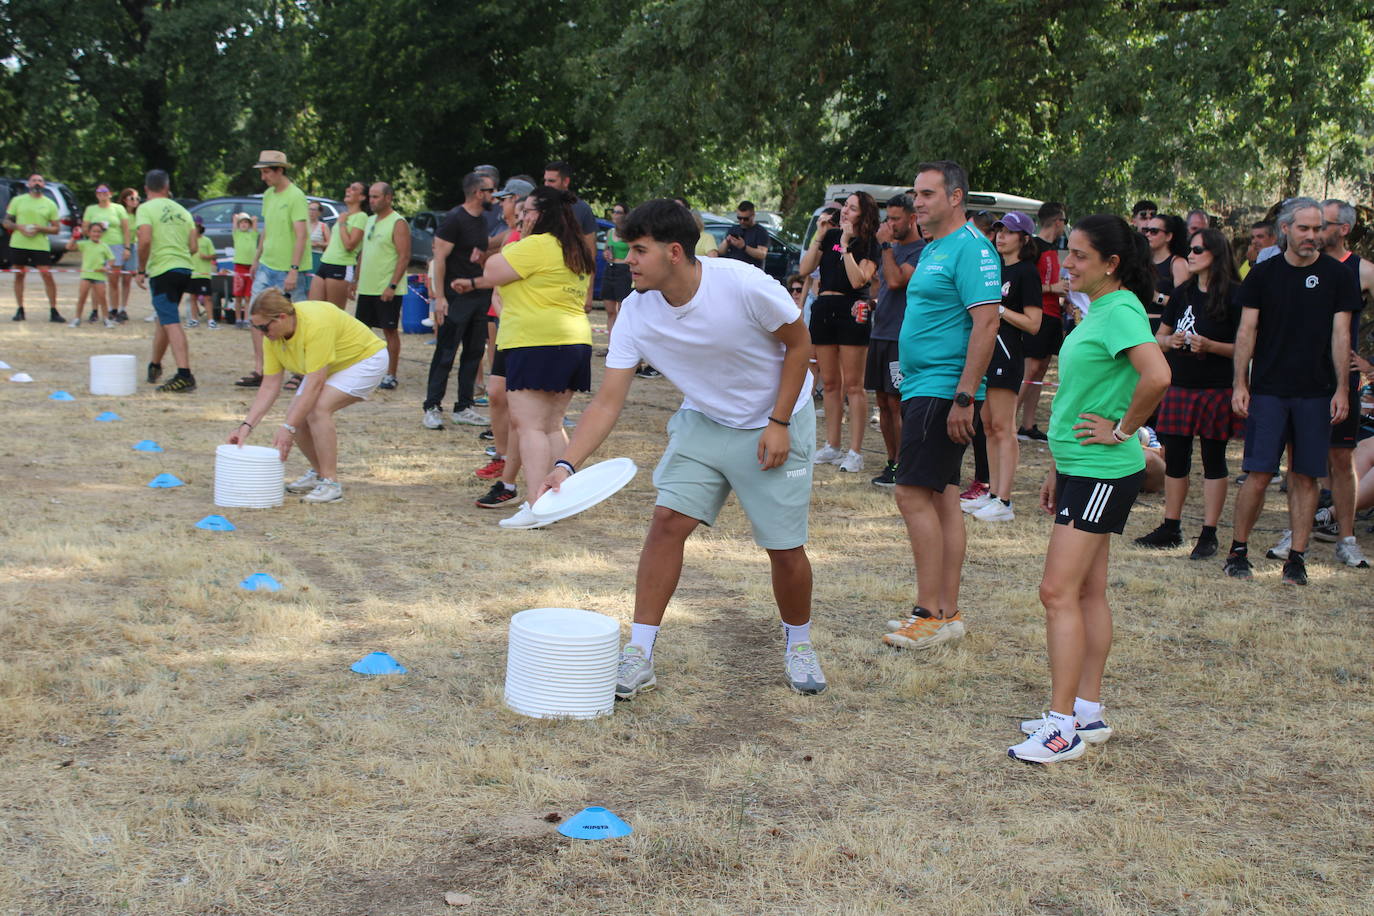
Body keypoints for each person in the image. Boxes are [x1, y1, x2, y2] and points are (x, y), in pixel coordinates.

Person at [535, 198, 824, 697]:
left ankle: (799, 642)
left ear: (673, 252)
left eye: (638, 250)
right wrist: (565, 464)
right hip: (704, 421)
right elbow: (607, 401)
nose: (627, 259)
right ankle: (639, 653)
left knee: (783, 548)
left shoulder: (742, 284)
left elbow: (800, 345)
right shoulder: (636, 313)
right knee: (667, 523)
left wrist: (778, 423)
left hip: (775, 419)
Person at [1008, 214, 1169, 764]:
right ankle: (1086, 712)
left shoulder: (1121, 310)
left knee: (1056, 592)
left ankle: (1061, 729)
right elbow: (1086, 393)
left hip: (1102, 470)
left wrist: (1122, 431)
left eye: (1078, 255)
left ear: (1111, 264)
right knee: (1085, 592)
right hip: (1082, 467)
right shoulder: (1101, 309)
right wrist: (1059, 466)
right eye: (1068, 252)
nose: (1067, 264)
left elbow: (1158, 375)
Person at [882, 161, 1000, 651]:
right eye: (916, 194)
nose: (918, 202)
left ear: (955, 197)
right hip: (923, 387)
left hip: (942, 390)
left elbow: (987, 323)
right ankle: (947, 613)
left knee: (910, 494)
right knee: (943, 498)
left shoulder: (972, 248)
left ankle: (928, 613)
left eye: (928, 193)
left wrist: (964, 397)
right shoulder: (936, 247)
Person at [1225, 197, 1359, 585]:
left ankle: (1297, 559)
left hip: (1317, 393)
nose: (1312, 236)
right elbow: (1246, 332)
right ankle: (1237, 551)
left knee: (1305, 476)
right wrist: (1240, 383)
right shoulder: (1263, 275)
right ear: (1285, 229)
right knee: (1259, 473)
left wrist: (1342, 390)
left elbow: (1341, 335)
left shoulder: (1338, 276)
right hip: (1268, 391)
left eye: (1318, 229)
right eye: (1305, 228)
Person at [450, 186, 592, 514]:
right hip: (573, 342)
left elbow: (492, 270)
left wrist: (516, 234)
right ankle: (559, 500)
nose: (521, 216)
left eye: (526, 211)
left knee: (530, 426)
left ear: (540, 215)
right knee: (552, 425)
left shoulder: (537, 245)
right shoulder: (574, 249)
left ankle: (536, 504)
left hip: (535, 341)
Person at [1134, 228, 1244, 558]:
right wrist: (1173, 342)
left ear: (1216, 254)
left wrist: (1211, 346)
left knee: (1214, 460)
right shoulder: (1182, 293)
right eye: (1190, 249)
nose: (1191, 255)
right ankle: (1172, 525)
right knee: (1176, 459)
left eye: (1198, 250)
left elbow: (1246, 347)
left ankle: (1208, 533)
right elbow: (1159, 338)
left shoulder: (1235, 295)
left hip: (1216, 388)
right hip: (1181, 386)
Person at [227, 291, 387, 504]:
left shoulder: (315, 324)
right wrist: (245, 426)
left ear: (282, 317)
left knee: (316, 409)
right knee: (297, 414)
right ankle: (320, 473)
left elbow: (315, 384)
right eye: (257, 328)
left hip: (365, 360)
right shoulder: (273, 337)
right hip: (334, 365)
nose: (262, 333)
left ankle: (331, 484)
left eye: (264, 327)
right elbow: (269, 385)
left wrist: (288, 428)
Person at [964, 211, 1042, 522]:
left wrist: (1000, 309)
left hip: (1008, 355)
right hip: (987, 353)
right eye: (998, 231)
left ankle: (1004, 500)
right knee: (988, 425)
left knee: (1004, 427)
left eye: (1008, 232)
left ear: (1024, 238)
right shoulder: (994, 268)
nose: (1001, 236)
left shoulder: (1026, 273)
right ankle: (992, 492)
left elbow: (1034, 324)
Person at [1310, 198, 1374, 568]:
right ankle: (1298, 530)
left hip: (1341, 377)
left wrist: (1369, 363)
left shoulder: (1362, 270)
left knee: (1341, 456)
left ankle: (1346, 536)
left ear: (1344, 229)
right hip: (1300, 375)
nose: (1317, 230)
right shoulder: (1303, 263)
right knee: (1302, 457)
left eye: (1325, 223)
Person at [801, 191, 879, 473]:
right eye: (845, 206)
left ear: (864, 214)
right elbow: (805, 269)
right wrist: (822, 236)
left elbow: (859, 278)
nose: (845, 211)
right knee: (831, 383)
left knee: (854, 386)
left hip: (852, 308)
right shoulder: (830, 236)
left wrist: (846, 246)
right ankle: (832, 445)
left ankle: (855, 451)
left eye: (852, 208)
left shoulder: (869, 244)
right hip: (824, 307)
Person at [424, 171, 497, 429]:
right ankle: (432, 406)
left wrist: (482, 257)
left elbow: (479, 251)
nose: (494, 196)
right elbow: (439, 258)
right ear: (479, 193)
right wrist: (440, 297)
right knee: (446, 352)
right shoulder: (454, 219)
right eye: (491, 191)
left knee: (474, 352)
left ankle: (463, 407)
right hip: (454, 297)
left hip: (479, 295)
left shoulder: (482, 220)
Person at [866, 194, 925, 487]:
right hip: (880, 332)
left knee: (897, 401)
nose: (889, 225)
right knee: (883, 403)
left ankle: (906, 464)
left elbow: (897, 281)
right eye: (887, 218)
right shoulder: (892, 249)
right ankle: (893, 462)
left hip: (900, 338)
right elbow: (883, 288)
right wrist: (871, 304)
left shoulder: (919, 251)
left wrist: (886, 246)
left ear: (913, 218)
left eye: (895, 219)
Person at [247, 150, 310, 388]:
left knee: (298, 319)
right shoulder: (268, 195)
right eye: (262, 172)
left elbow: (301, 235)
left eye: (266, 172)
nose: (264, 177)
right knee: (255, 316)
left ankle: (301, 370)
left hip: (288, 269)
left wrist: (294, 269)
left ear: (280, 170)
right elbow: (266, 228)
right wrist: (257, 257)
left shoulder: (296, 196)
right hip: (266, 265)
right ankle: (261, 369)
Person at [133, 169, 199, 393]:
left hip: (163, 269)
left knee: (171, 321)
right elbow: (193, 246)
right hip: (184, 268)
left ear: (146, 189)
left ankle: (184, 374)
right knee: (165, 317)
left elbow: (144, 240)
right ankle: (155, 365)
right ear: (167, 187)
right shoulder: (183, 211)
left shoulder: (145, 208)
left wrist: (141, 269)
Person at [352, 181, 411, 390]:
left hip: (386, 287)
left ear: (388, 198)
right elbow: (363, 253)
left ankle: (390, 374)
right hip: (367, 287)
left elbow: (404, 256)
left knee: (389, 330)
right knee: (361, 331)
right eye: (370, 196)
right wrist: (355, 279)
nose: (372, 200)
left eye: (376, 196)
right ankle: (363, 371)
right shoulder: (369, 220)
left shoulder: (398, 222)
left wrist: (392, 285)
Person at [1017, 202, 1068, 441]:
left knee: (1041, 371)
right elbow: (1025, 282)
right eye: (1064, 222)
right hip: (1037, 314)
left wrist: (1064, 297)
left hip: (1053, 315)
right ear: (1058, 221)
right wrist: (1052, 288)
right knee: (1030, 369)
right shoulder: (1034, 246)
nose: (1063, 228)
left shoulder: (1053, 250)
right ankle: (1007, 419)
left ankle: (1028, 425)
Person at [4, 173, 62, 323]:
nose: (37, 183)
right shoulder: (17, 200)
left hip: (40, 245)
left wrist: (40, 228)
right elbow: (6, 222)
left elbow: (56, 229)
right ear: (28, 184)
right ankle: (20, 309)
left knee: (47, 275)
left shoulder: (50, 203)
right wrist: (19, 227)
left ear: (44, 185)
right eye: (34, 180)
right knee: (19, 275)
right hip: (19, 243)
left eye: (40, 181)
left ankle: (54, 310)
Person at [542, 161, 598, 310]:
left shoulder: (582, 210)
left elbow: (590, 254)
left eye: (551, 181)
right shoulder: (537, 207)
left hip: (570, 285)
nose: (546, 184)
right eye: (545, 180)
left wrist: (589, 292)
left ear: (565, 181)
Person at [309, 181, 367, 308]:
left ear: (362, 197)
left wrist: (341, 223)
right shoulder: (345, 216)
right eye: (349, 188)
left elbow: (349, 245)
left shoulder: (361, 217)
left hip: (341, 266)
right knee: (313, 309)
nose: (348, 190)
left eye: (354, 189)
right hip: (325, 263)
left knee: (334, 314)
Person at [82, 184, 131, 323]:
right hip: (97, 246)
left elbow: (126, 229)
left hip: (116, 246)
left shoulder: (118, 208)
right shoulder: (91, 209)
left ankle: (114, 310)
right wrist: (96, 227)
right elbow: (85, 229)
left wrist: (127, 248)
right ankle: (94, 310)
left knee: (114, 280)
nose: (102, 194)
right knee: (95, 279)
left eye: (105, 191)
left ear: (110, 193)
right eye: (99, 192)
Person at [1142, 213, 1189, 330]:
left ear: (1168, 236)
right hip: (1140, 322)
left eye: (1154, 231)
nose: (1148, 234)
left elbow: (1183, 303)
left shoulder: (1177, 263)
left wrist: (1157, 297)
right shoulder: (1142, 261)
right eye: (1146, 230)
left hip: (1162, 325)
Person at [65, 221, 115, 328]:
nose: (96, 234)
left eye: (99, 232)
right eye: (94, 231)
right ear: (89, 232)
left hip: (99, 276)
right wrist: (74, 237)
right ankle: (77, 318)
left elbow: (111, 259)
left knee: (102, 298)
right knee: (82, 297)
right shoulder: (85, 244)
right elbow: (69, 247)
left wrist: (107, 267)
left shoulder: (104, 246)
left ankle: (106, 319)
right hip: (86, 275)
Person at [601, 203, 632, 343]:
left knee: (621, 310)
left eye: (619, 212)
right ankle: (611, 345)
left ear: (625, 215)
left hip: (624, 270)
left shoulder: (630, 233)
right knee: (610, 310)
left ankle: (621, 344)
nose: (615, 215)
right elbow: (606, 250)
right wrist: (606, 254)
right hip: (610, 268)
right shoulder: (610, 232)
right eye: (614, 212)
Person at [115, 187, 142, 321]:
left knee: (127, 279)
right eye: (132, 198)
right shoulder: (119, 213)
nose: (135, 201)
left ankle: (123, 308)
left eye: (137, 199)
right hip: (119, 246)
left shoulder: (139, 215)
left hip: (132, 247)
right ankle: (113, 307)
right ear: (125, 200)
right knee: (115, 278)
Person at [717, 200, 770, 269]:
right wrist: (727, 241)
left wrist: (744, 247)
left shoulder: (761, 231)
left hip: (751, 272)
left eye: (746, 219)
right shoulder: (733, 229)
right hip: (733, 270)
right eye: (739, 218)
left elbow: (762, 254)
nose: (742, 221)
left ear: (753, 216)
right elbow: (721, 252)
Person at [187, 217, 218, 328]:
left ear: (201, 227)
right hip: (192, 273)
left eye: (197, 226)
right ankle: (194, 319)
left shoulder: (206, 240)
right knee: (193, 297)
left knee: (207, 298)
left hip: (204, 273)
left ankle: (211, 320)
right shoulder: (188, 241)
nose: (195, 228)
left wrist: (206, 257)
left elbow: (214, 255)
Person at [230, 213, 259, 330]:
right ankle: (238, 319)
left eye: (246, 222)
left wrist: (253, 220)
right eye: (242, 223)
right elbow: (234, 224)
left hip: (250, 267)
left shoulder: (252, 235)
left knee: (248, 296)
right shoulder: (237, 234)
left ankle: (246, 319)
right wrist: (236, 219)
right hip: (239, 267)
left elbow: (255, 224)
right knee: (238, 296)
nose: (244, 224)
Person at [305, 200, 331, 289]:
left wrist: (318, 244)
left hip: (316, 257)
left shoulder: (323, 226)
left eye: (314, 210)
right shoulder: (303, 225)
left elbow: (329, 243)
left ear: (319, 212)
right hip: (303, 256)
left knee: (313, 284)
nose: (311, 212)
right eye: (309, 209)